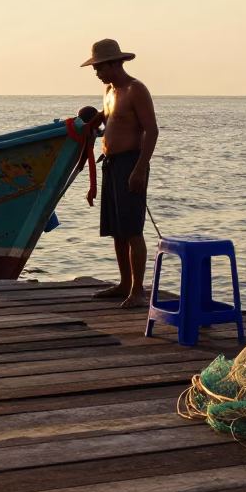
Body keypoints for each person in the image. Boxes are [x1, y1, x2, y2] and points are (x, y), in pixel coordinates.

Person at [80, 38, 158, 308]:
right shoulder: (110, 91)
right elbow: (111, 116)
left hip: (131, 163)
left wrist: (139, 168)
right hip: (111, 164)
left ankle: (138, 291)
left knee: (133, 229)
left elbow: (151, 129)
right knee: (117, 230)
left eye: (100, 67)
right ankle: (124, 284)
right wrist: (94, 121)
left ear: (115, 63)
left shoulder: (136, 89)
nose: (97, 72)